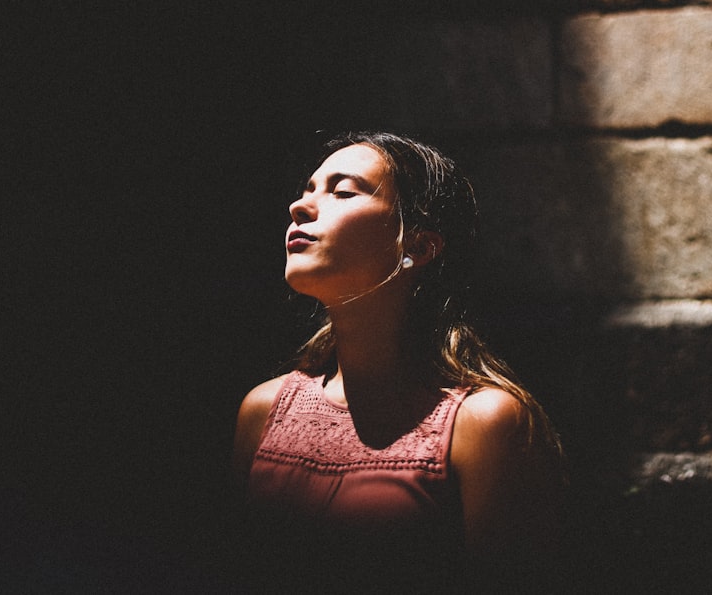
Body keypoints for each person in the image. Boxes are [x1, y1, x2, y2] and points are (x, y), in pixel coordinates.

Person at [231, 131, 566, 591]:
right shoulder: (262, 411)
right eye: (306, 190)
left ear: (419, 247)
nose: (300, 207)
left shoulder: (485, 425)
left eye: (343, 191)